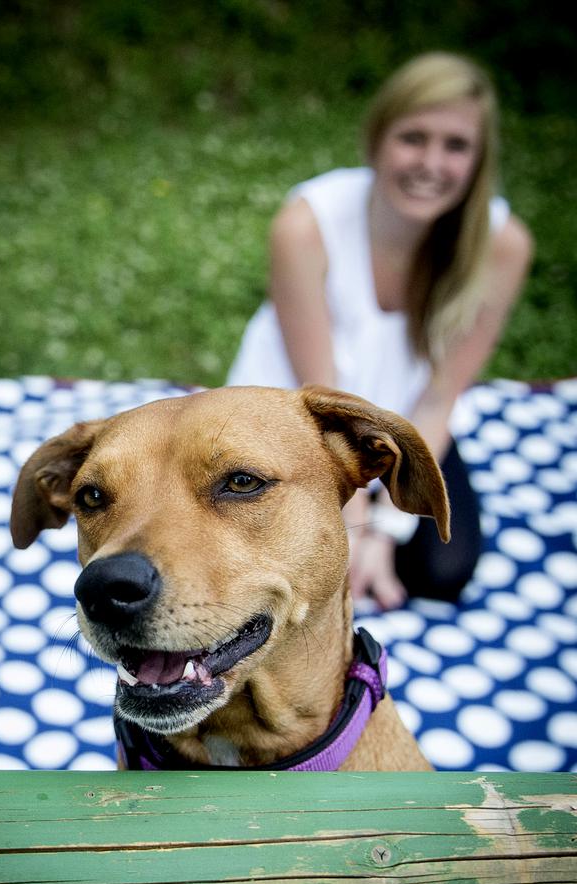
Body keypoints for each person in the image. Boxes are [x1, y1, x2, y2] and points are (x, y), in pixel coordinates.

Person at [227, 51, 533, 608]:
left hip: (402, 420)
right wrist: (354, 530)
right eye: (413, 138)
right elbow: (323, 407)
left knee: (442, 571)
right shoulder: (306, 225)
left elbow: (441, 397)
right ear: (376, 140)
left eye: (456, 146)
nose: (431, 163)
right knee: (275, 565)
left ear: (479, 160)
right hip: (297, 414)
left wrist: (387, 532)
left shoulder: (503, 246)